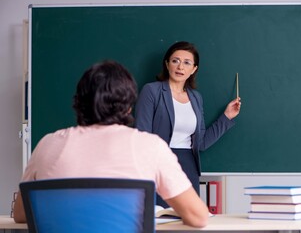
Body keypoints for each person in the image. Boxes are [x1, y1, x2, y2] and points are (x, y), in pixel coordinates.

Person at [13, 60, 209, 228]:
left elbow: (21, 215)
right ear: (129, 105)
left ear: (78, 101)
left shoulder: (48, 144)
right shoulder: (150, 147)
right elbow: (198, 217)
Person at [135, 41, 241, 207]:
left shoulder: (196, 98)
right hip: (159, 164)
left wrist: (226, 116)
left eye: (187, 62)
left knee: (186, 223)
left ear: (194, 69)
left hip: (188, 166)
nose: (180, 67)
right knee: (160, 220)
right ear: (167, 64)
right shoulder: (152, 91)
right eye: (175, 60)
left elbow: (201, 143)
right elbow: (142, 137)